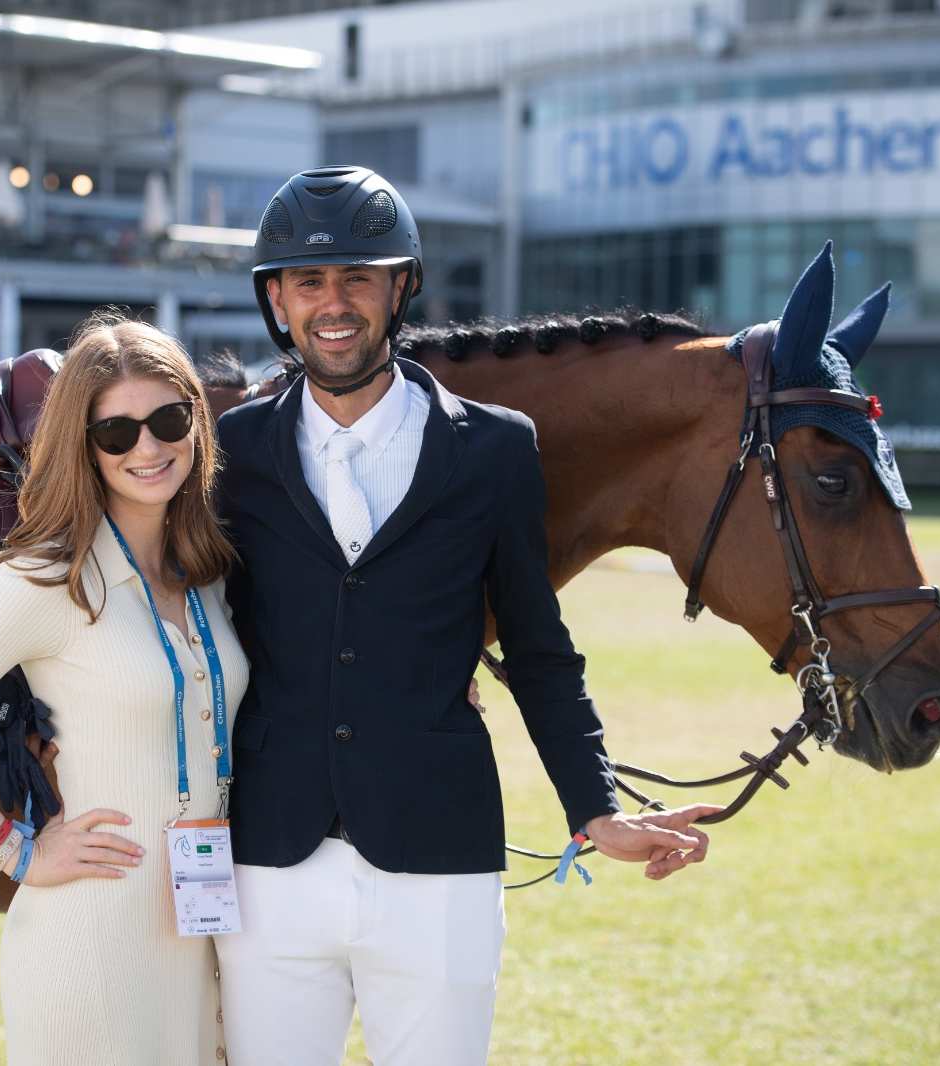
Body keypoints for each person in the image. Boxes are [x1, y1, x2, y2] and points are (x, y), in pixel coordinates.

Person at [213, 165, 721, 1066]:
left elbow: (536, 647)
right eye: (309, 282)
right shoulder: (228, 451)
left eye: (359, 277)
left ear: (401, 287)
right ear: (278, 301)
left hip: (440, 860)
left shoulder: (494, 448)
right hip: (267, 862)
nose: (335, 304)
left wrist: (594, 808)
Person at [0, 314, 247, 1066]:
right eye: (116, 433)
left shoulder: (208, 575)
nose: (147, 447)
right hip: (95, 940)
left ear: (196, 426)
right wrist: (16, 851)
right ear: (85, 448)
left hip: (206, 931)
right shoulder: (43, 578)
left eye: (168, 420)